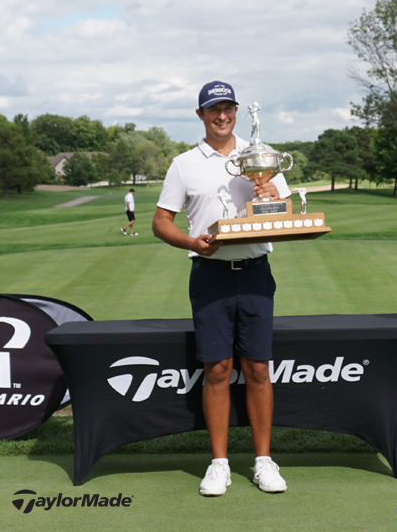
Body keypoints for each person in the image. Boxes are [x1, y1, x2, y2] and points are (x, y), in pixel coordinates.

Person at [153, 80, 291, 496]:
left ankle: (264, 461)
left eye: (228, 108)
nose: (223, 115)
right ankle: (219, 463)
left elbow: (284, 214)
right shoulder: (184, 163)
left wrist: (270, 194)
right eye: (214, 109)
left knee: (258, 368)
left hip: (254, 271)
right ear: (200, 115)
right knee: (216, 369)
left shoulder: (260, 156)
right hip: (209, 272)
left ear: (235, 111)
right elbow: (161, 222)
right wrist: (192, 243)